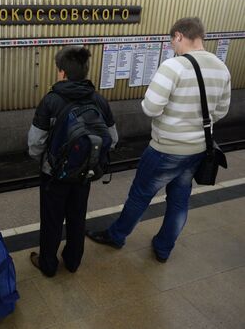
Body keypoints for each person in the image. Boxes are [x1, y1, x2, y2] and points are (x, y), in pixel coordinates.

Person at [86, 17, 231, 262]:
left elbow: (151, 108)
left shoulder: (173, 66)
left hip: (166, 149)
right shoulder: (221, 68)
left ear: (178, 36)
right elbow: (220, 111)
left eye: (172, 41)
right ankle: (163, 249)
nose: (172, 46)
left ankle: (117, 236)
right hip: (197, 149)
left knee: (140, 195)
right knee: (179, 200)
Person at [27, 45, 118, 276]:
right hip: (84, 174)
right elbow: (113, 139)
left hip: (54, 175)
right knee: (77, 217)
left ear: (62, 73)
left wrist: (44, 159)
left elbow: (35, 143)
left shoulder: (50, 101)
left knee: (52, 220)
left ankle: (48, 264)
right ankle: (73, 261)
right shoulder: (99, 100)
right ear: (85, 71)